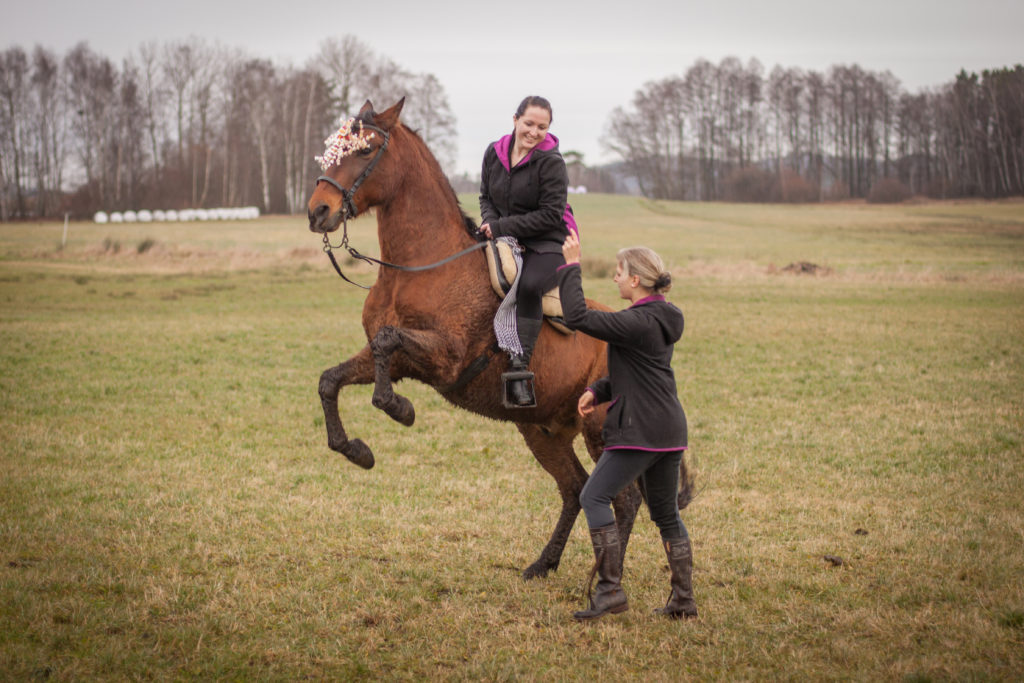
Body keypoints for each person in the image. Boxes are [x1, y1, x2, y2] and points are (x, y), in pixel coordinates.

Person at [557, 232, 697, 622]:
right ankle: (683, 601)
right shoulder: (658, 318)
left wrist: (570, 267)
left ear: (635, 280)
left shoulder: (635, 320)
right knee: (667, 515)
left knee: (593, 497)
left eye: (619, 273)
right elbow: (638, 372)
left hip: (639, 430)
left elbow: (577, 318)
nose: (615, 278)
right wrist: (597, 390)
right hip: (667, 429)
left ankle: (610, 591)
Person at [479, 95, 575, 407]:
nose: (534, 132)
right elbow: (485, 197)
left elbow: (550, 214)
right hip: (504, 233)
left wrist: (502, 227)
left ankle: (520, 370)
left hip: (546, 240)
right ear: (515, 119)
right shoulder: (493, 153)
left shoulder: (552, 163)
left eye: (542, 127)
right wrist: (491, 223)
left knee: (531, 286)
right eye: (529, 123)